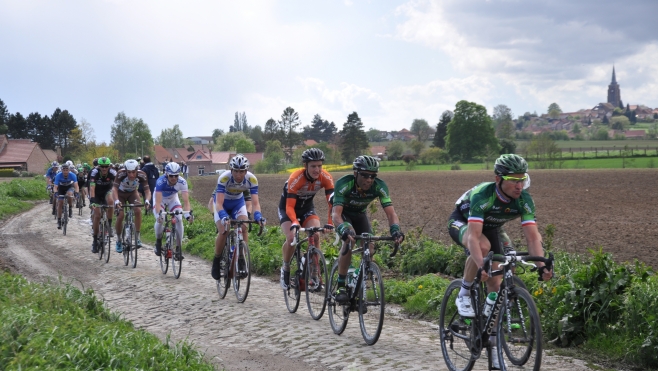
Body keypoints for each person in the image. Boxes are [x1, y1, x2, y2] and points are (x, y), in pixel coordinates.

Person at [448, 154, 553, 315]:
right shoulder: (483, 195)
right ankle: (464, 293)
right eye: (513, 180)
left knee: (498, 279)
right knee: (483, 247)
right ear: (498, 179)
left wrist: (542, 265)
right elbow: (474, 237)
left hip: (492, 227)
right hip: (463, 221)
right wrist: (480, 264)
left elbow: (533, 238)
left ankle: (491, 334)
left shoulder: (524, 200)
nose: (519, 186)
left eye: (522, 179)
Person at [332, 155, 405, 304]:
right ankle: (341, 286)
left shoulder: (379, 186)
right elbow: (336, 214)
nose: (369, 180)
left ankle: (359, 279)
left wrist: (395, 230)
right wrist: (342, 229)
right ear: (356, 173)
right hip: (344, 214)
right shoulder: (345, 183)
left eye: (372, 176)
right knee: (350, 240)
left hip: (360, 215)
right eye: (365, 175)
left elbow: (391, 213)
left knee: (370, 247)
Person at [278, 148, 334, 289]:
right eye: (313, 166)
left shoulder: (326, 178)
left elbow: (332, 203)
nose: (317, 169)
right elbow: (290, 207)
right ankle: (285, 268)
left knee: (315, 235)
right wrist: (295, 221)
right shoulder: (295, 178)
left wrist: (330, 222)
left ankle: (315, 275)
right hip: (287, 209)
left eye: (319, 166)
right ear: (305, 166)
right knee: (291, 239)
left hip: (307, 209)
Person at [210, 154, 265, 280]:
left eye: (241, 171)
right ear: (231, 170)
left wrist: (258, 215)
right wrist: (223, 216)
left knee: (244, 226)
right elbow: (218, 203)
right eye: (236, 171)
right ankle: (216, 260)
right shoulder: (224, 178)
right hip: (222, 203)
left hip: (237, 203)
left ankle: (241, 257)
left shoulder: (252, 179)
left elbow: (255, 203)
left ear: (246, 171)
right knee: (224, 231)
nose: (238, 174)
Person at [152, 162, 194, 256]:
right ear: (166, 174)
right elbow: (158, 202)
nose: (174, 178)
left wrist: (187, 215)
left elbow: (186, 202)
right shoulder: (160, 181)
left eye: (176, 176)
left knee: (179, 218)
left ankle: (179, 248)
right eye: (171, 176)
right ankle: (158, 242)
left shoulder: (182, 182)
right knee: (160, 220)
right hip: (160, 199)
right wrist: (159, 214)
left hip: (173, 199)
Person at [113, 159, 152, 253]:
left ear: (137, 170)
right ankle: (118, 240)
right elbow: (114, 189)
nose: (131, 175)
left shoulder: (142, 174)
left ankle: (137, 237)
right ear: (125, 170)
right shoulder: (120, 173)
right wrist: (116, 201)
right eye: (129, 172)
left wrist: (147, 201)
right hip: (120, 194)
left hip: (132, 193)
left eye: (133, 172)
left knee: (138, 211)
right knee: (120, 216)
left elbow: (147, 191)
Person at [89, 157, 118, 253]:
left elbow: (117, 187)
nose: (104, 169)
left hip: (107, 191)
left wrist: (118, 200)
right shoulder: (95, 173)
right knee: (97, 216)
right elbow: (92, 188)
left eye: (106, 167)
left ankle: (109, 224)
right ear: (99, 166)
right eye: (102, 167)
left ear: (109, 166)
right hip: (96, 193)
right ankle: (95, 240)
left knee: (110, 201)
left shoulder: (113, 173)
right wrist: (92, 201)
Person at [53, 163, 79, 229]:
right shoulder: (58, 175)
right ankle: (59, 221)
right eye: (64, 170)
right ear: (61, 170)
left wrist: (76, 193)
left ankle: (70, 208)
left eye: (66, 170)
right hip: (61, 188)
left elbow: (76, 186)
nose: (65, 172)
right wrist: (56, 193)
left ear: (69, 170)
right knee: (60, 203)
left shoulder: (72, 175)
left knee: (70, 195)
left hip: (69, 187)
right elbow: (55, 186)